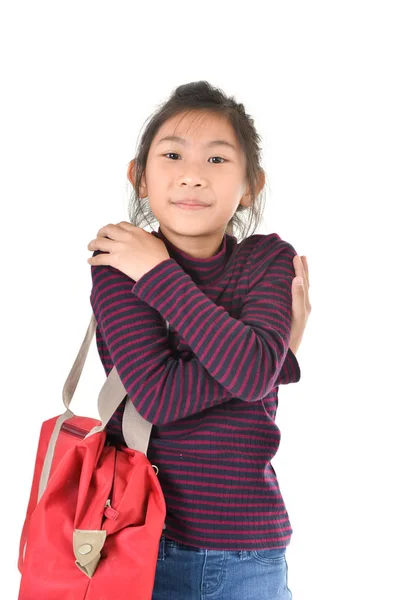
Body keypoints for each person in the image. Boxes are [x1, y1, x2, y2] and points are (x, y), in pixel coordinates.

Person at [88, 80, 311, 600]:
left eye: (217, 160)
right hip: (141, 541)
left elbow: (252, 371)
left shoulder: (269, 259)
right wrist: (278, 357)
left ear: (251, 184)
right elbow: (159, 399)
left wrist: (160, 274)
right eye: (172, 155)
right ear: (138, 177)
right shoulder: (118, 263)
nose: (192, 175)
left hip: (252, 551)